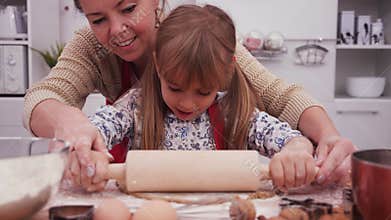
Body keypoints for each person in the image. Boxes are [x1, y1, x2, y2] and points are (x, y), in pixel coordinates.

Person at [23, 0, 355, 191]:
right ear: (158, 67)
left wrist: (309, 143)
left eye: (128, 7)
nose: (116, 30)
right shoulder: (135, 103)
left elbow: (278, 98)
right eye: (98, 19)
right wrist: (83, 146)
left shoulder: (204, 43)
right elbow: (61, 104)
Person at [83, 4, 317, 192]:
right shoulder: (136, 105)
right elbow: (101, 126)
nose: (186, 103)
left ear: (225, 73)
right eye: (174, 88)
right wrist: (88, 147)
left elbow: (288, 140)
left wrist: (297, 149)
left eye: (203, 92)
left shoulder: (232, 112)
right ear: (157, 64)